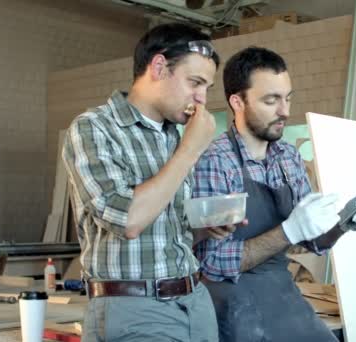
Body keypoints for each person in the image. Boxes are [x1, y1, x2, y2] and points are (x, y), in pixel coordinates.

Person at [192, 47, 356, 342]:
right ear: (237, 101)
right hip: (231, 303)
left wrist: (344, 224)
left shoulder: (287, 156)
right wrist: (289, 230)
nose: (285, 111)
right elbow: (213, 263)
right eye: (271, 100)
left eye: (287, 98)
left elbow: (312, 240)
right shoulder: (215, 161)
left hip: (281, 291)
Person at [63, 23, 231, 341]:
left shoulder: (172, 137)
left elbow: (160, 238)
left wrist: (204, 229)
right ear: (158, 67)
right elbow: (129, 221)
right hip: (133, 308)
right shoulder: (95, 128)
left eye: (206, 87)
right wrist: (189, 151)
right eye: (195, 82)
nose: (202, 98)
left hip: (195, 300)